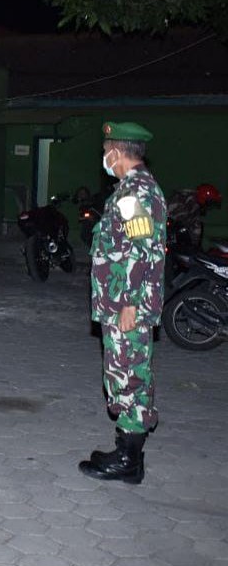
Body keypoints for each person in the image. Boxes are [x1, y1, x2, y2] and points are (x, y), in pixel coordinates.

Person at [78, 121, 166, 484]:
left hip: (127, 304)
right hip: (123, 301)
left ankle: (127, 460)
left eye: (105, 150)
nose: (104, 157)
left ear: (118, 152)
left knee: (128, 377)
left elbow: (142, 251)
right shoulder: (134, 189)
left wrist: (129, 302)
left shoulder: (134, 193)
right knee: (128, 373)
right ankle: (130, 455)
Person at [165, 183, 221, 248]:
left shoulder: (191, 201)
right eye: (209, 203)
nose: (208, 207)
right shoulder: (186, 201)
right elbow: (184, 222)